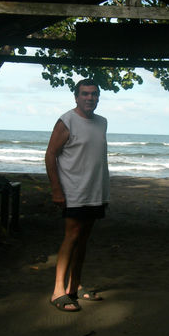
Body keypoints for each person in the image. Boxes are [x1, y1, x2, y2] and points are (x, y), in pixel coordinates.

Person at [45, 78, 110, 312]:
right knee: (71, 236)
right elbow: (51, 154)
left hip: (95, 190)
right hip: (73, 190)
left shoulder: (102, 122)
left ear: (98, 97)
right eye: (84, 94)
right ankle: (57, 292)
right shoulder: (66, 121)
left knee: (83, 240)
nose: (89, 98)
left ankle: (75, 287)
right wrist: (56, 189)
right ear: (76, 97)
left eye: (94, 94)